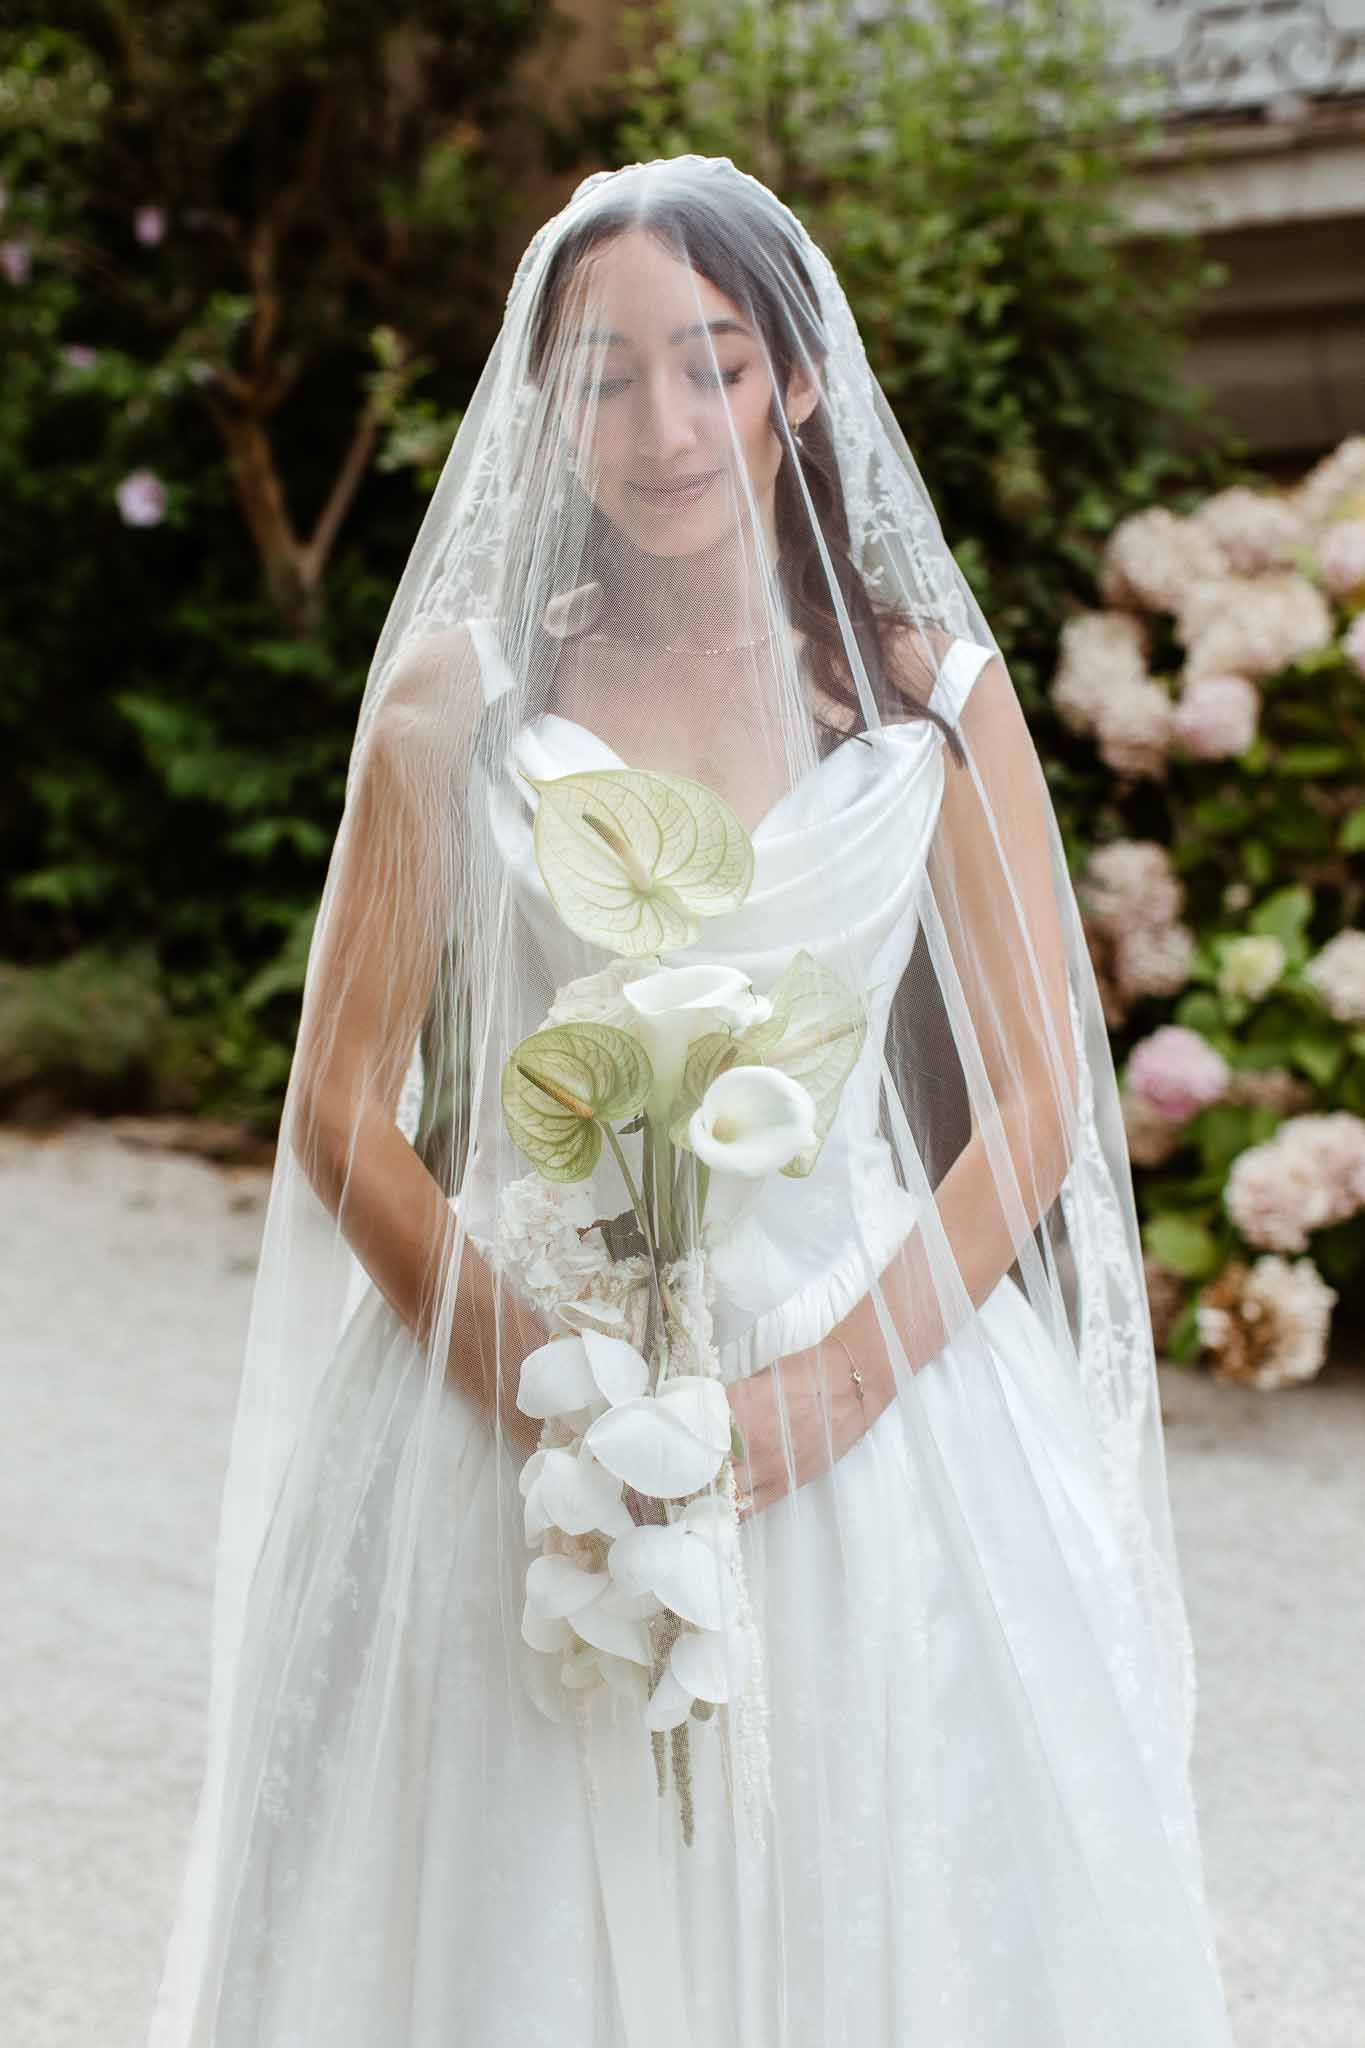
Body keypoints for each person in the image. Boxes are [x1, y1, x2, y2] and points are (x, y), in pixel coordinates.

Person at [148, 155, 1238, 2047]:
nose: (659, 425)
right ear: (544, 405)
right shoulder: (454, 698)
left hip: (869, 1382)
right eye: (603, 377)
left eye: (710, 365)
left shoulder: (920, 694)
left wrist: (828, 1383)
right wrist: (543, 1382)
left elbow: (1040, 1102)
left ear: (796, 385)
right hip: (517, 1388)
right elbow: (338, 1107)